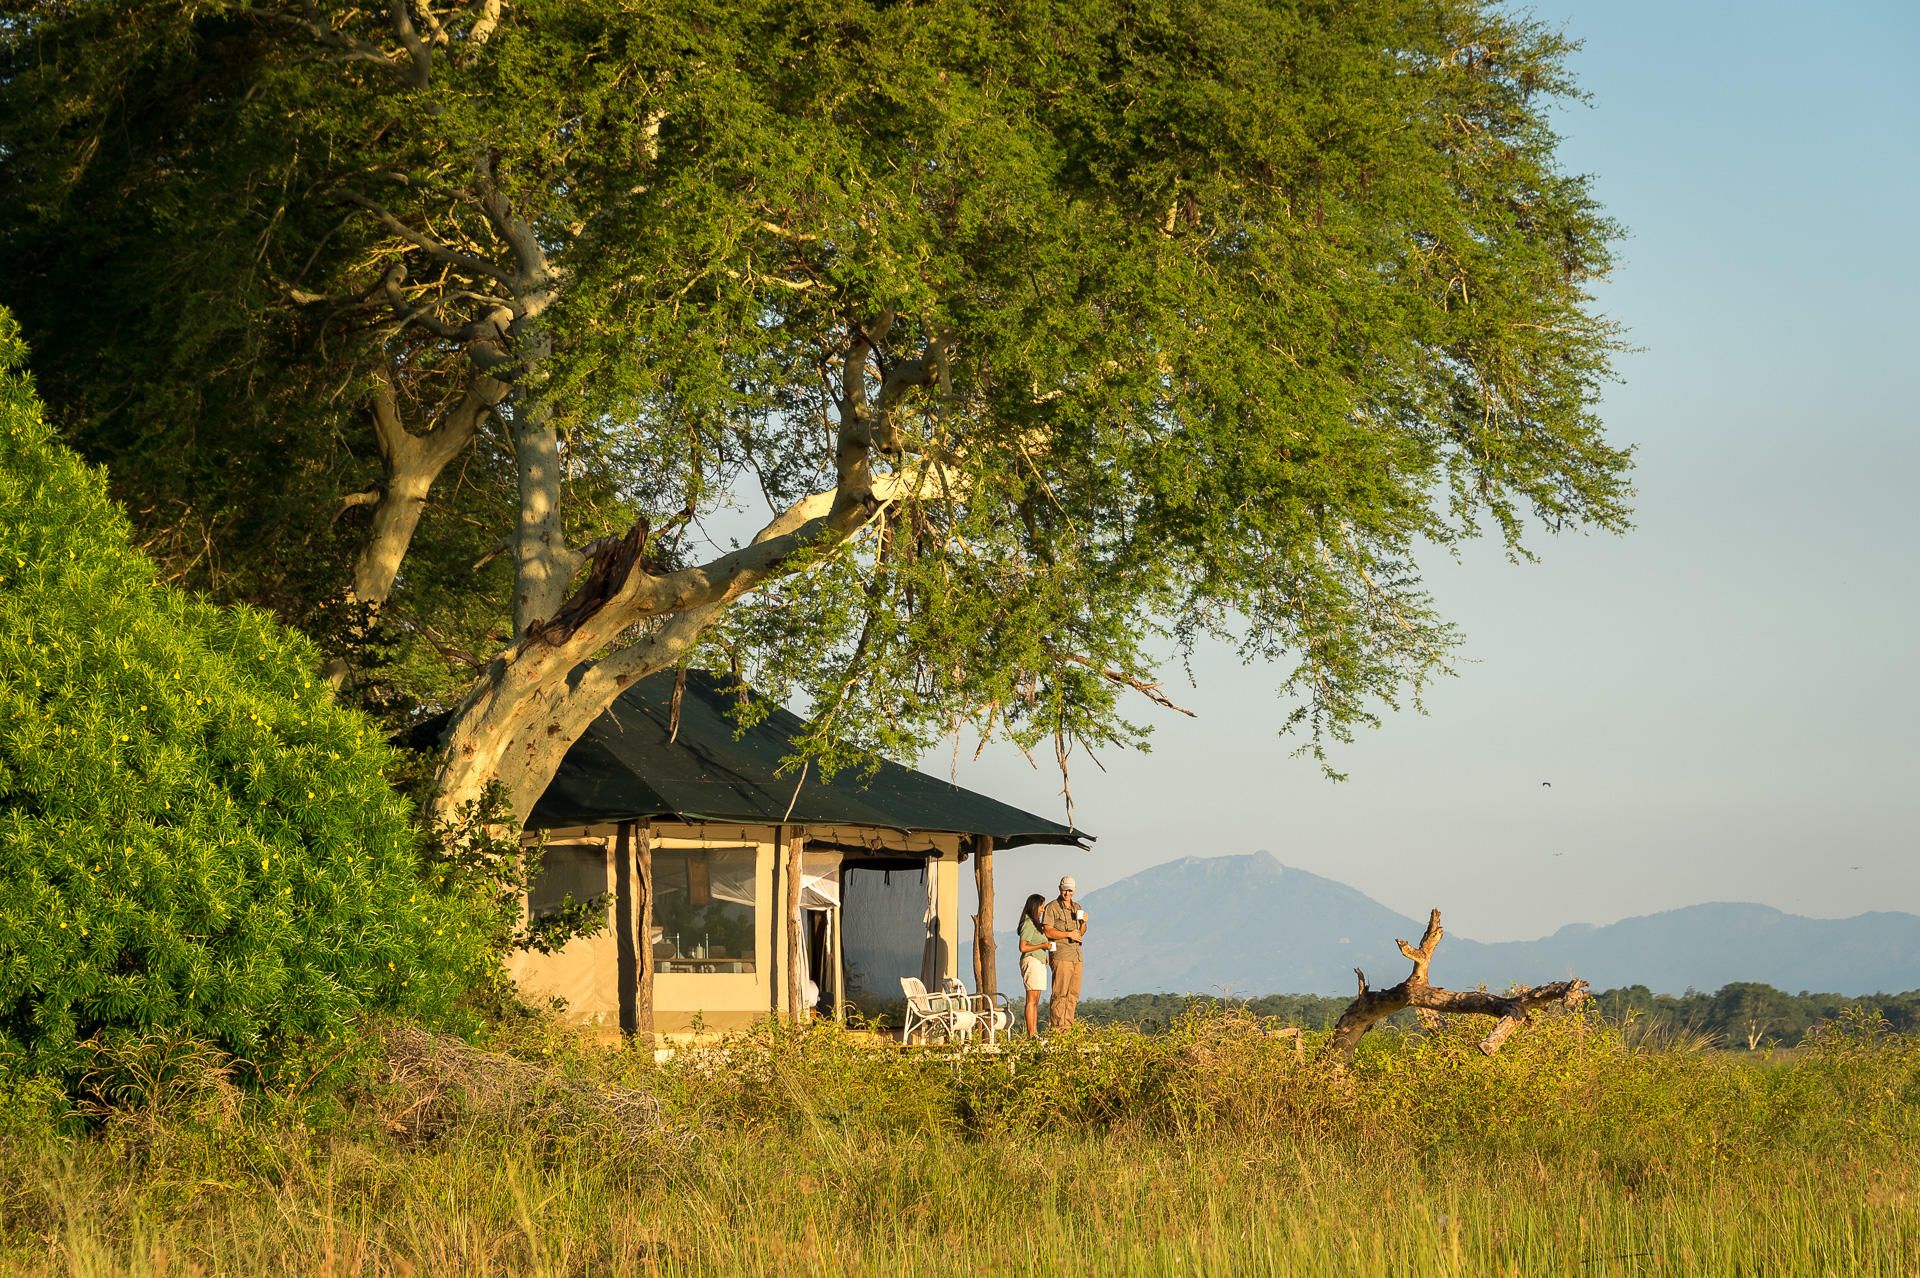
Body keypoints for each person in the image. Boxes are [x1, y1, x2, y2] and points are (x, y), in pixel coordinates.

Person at [1040, 875, 1089, 1030]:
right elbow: (1047, 930)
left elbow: (1081, 932)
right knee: (1060, 993)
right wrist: (1068, 934)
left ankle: (1067, 1028)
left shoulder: (1077, 907)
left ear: (1073, 891)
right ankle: (1057, 1028)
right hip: (1061, 955)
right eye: (1064, 890)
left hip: (1077, 954)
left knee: (1073, 994)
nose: (1067, 893)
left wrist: (1084, 924)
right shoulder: (1052, 907)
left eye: (1069, 890)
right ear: (1060, 889)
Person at [1015, 893, 1050, 1037]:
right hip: (1031, 961)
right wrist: (1042, 945)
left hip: (1039, 961)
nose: (1042, 910)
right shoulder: (1028, 923)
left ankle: (1034, 1032)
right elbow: (1023, 947)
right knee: (1031, 999)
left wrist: (1044, 953)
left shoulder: (1036, 924)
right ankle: (1031, 1033)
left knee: (1035, 1000)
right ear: (1035, 906)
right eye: (1041, 906)